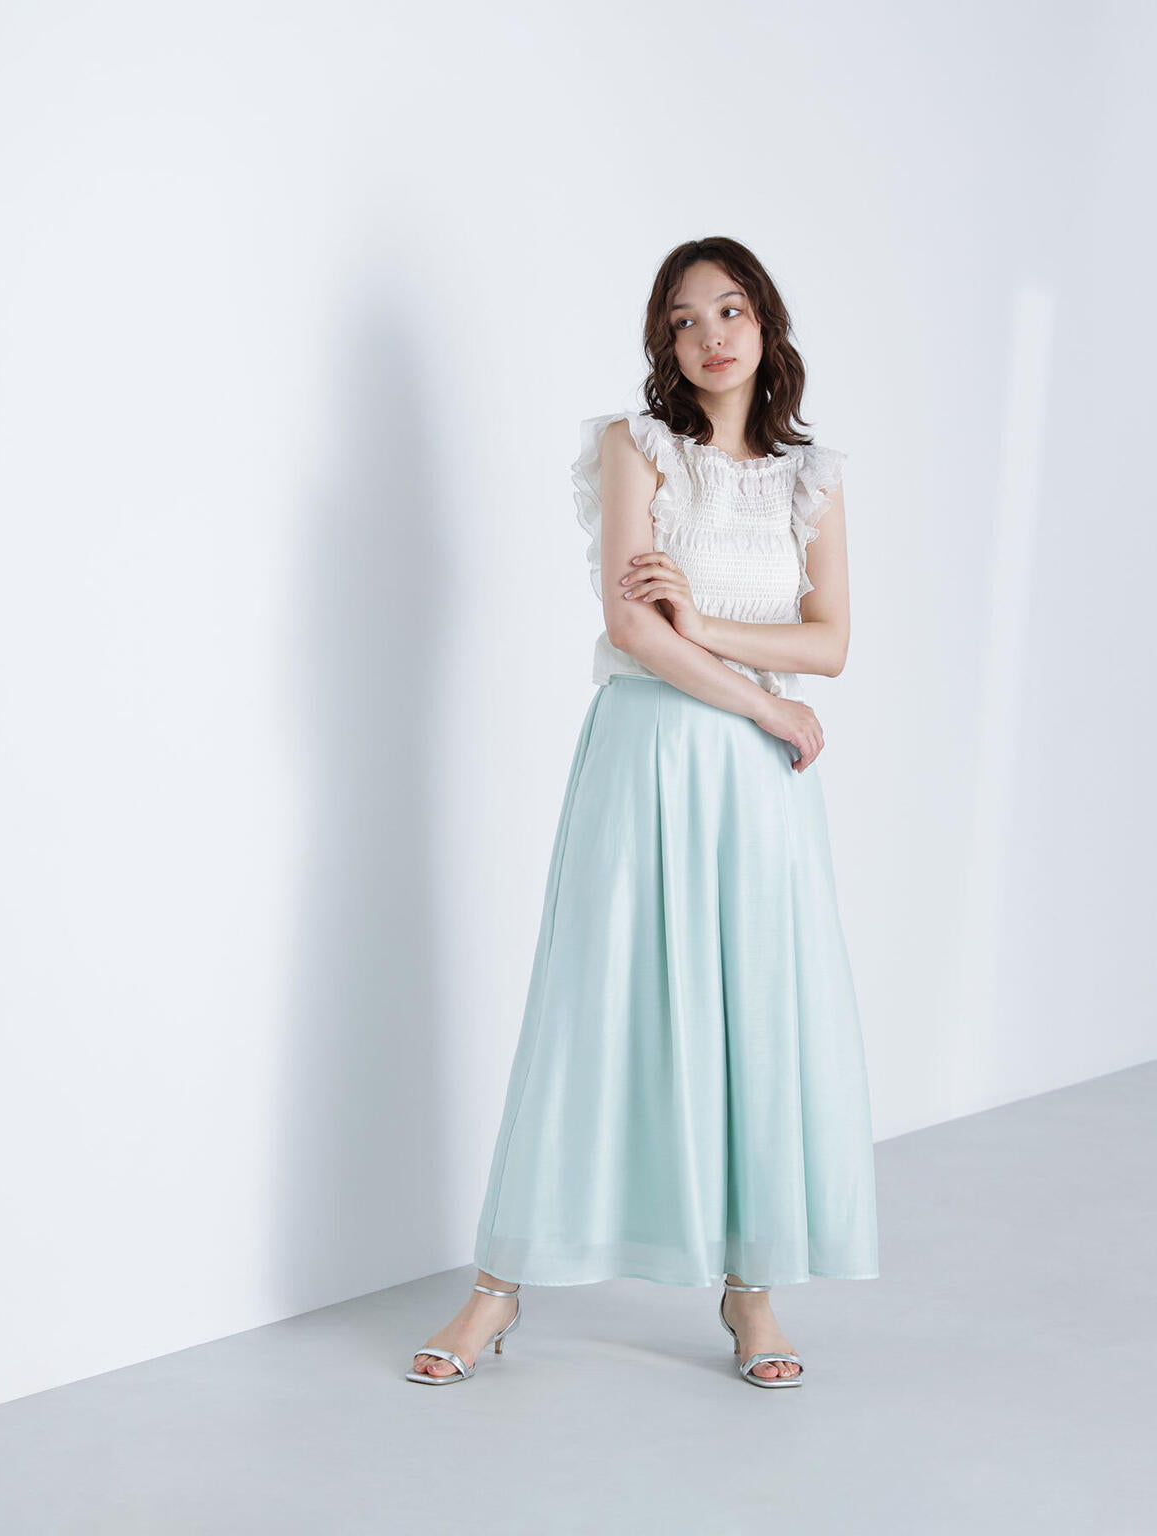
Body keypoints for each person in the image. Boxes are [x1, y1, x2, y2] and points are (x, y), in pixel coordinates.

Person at [406, 236, 879, 1389]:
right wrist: (764, 705)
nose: (710, 335)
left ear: (765, 324)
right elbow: (629, 629)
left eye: (730, 309)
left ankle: (750, 1292)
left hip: (756, 788)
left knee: (754, 1013)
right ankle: (495, 1288)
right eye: (683, 319)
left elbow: (828, 643)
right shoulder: (637, 449)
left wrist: (703, 626)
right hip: (648, 755)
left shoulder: (809, 479)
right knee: (591, 1005)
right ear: (664, 344)